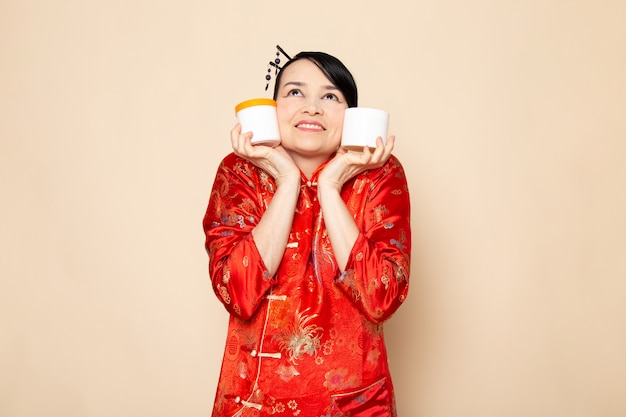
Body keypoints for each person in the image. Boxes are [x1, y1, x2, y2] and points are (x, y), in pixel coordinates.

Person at [202, 48, 411, 417]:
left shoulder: (380, 174)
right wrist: (286, 182)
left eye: (330, 96)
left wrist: (330, 186)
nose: (312, 107)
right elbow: (237, 292)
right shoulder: (240, 173)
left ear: (351, 116)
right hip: (253, 403)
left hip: (354, 405)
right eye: (295, 92)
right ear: (273, 108)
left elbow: (382, 297)